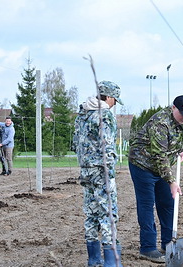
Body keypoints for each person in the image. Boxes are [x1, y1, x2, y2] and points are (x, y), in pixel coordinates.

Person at [128, 95, 183, 263]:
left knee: (167, 204)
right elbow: (160, 156)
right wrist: (172, 181)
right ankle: (148, 247)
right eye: (182, 114)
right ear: (173, 108)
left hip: (161, 167)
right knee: (147, 204)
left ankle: (167, 243)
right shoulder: (160, 123)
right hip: (143, 164)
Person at [73, 81, 123, 267]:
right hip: (101, 171)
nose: (115, 103)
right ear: (108, 97)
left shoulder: (82, 114)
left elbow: (75, 142)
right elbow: (107, 146)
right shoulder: (105, 115)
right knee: (108, 213)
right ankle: (112, 262)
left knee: (91, 213)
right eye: (115, 99)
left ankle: (94, 260)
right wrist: (110, 172)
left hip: (86, 170)